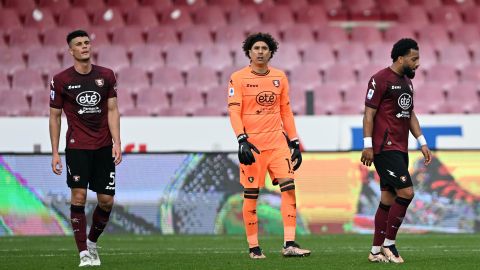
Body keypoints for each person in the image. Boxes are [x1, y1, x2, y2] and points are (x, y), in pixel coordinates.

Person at [227, 32, 310, 259]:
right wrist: (241, 139)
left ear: (271, 52)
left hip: (277, 143)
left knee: (289, 188)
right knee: (251, 195)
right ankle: (254, 247)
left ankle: (290, 244)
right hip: (253, 146)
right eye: (256, 48)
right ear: (249, 52)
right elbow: (234, 111)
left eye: (265, 48)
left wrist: (294, 142)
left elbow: (286, 111)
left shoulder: (279, 77)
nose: (261, 52)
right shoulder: (238, 78)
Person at [49, 30, 122, 267]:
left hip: (103, 147)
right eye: (79, 44)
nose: (84, 47)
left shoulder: (106, 75)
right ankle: (83, 253)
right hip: (77, 146)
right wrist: (55, 152)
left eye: (87, 43)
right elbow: (55, 117)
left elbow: (112, 110)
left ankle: (92, 242)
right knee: (78, 197)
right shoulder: (60, 80)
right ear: (71, 50)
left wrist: (117, 142)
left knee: (106, 201)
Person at [361, 38, 432, 264]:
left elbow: (410, 114)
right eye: (414, 59)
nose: (417, 64)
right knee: (407, 193)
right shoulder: (380, 79)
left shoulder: (406, 83)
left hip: (400, 148)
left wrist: (422, 141)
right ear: (401, 58)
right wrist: (367, 146)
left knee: (387, 199)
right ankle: (389, 245)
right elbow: (368, 114)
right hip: (384, 148)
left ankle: (374, 251)